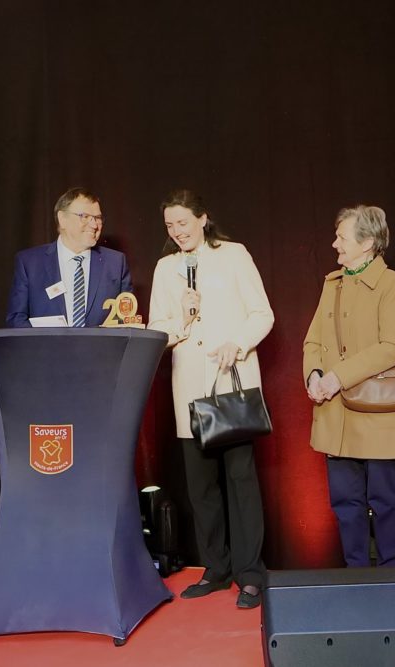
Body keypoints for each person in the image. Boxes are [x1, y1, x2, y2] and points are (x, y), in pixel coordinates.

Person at [148, 189, 274, 609]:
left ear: (203, 218)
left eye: (183, 222)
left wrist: (237, 343)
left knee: (240, 481)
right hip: (189, 390)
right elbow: (157, 330)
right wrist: (182, 321)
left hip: (230, 385)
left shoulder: (234, 255)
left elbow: (262, 313)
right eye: (170, 225)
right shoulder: (166, 268)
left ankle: (250, 574)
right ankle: (215, 569)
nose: (177, 231)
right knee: (201, 488)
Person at [302, 205, 395, 567]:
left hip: (378, 412)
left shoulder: (393, 284)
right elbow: (313, 341)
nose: (335, 244)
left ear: (367, 243)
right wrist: (314, 375)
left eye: (342, 237)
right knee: (345, 504)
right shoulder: (332, 284)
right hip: (335, 413)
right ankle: (356, 576)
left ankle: (390, 577)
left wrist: (338, 377)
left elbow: (392, 347)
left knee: (385, 501)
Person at [6, 187, 132, 327]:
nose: (94, 225)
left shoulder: (116, 263)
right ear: (62, 219)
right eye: (85, 216)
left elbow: (125, 321)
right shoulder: (29, 263)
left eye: (98, 218)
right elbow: (16, 320)